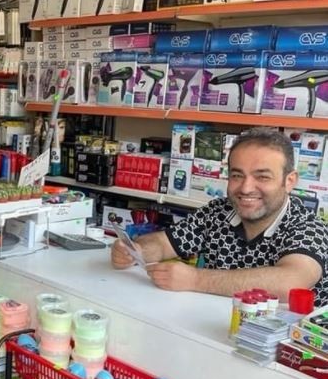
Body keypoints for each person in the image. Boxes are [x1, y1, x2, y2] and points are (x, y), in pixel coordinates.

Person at [111, 127, 328, 304]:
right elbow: (163, 241)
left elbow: (292, 282)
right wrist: (137, 250)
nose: (246, 188)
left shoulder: (308, 226)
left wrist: (196, 279)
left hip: (290, 350)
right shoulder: (218, 212)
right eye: (237, 175)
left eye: (262, 177)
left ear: (289, 181)